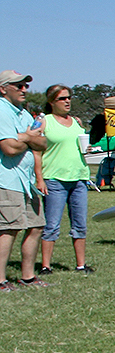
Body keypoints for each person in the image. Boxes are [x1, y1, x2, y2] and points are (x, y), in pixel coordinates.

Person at [37, 84, 94, 274]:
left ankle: (81, 265)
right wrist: (40, 178)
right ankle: (46, 266)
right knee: (51, 225)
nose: (67, 101)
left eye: (69, 97)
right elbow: (36, 151)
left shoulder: (76, 122)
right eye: (62, 98)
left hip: (78, 178)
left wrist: (88, 149)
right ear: (52, 101)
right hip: (54, 178)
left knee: (80, 224)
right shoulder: (45, 122)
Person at [0, 70, 47, 288]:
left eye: (25, 85)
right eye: (18, 85)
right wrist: (29, 138)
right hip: (8, 180)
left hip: (27, 182)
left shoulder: (23, 113)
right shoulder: (2, 110)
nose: (24, 89)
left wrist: (24, 137)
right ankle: (1, 280)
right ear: (3, 89)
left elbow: (43, 143)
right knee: (9, 229)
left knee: (36, 226)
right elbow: (9, 148)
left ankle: (28, 276)